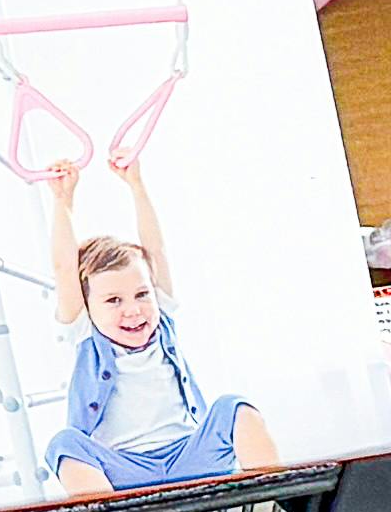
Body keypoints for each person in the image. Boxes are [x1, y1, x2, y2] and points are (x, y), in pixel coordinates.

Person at [40, 163, 273, 494]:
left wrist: (136, 184)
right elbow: (64, 267)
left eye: (141, 295)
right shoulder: (85, 333)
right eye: (114, 301)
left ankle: (271, 493)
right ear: (88, 307)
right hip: (125, 469)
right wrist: (63, 201)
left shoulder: (162, 318)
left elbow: (156, 250)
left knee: (236, 407)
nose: (133, 310)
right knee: (64, 443)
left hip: (187, 456)